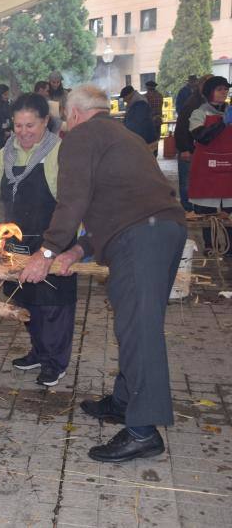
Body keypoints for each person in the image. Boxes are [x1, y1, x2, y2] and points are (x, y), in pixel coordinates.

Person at [19, 84, 186, 463]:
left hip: (141, 237)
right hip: (161, 231)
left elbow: (72, 202)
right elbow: (115, 204)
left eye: (64, 118)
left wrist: (45, 252)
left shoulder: (81, 137)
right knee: (133, 324)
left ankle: (143, 432)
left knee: (140, 331)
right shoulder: (121, 135)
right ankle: (125, 402)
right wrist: (78, 249)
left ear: (73, 113)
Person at [0, 93, 75, 387]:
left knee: (52, 304)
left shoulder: (58, 152)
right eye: (18, 125)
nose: (23, 132)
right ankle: (38, 350)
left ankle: (54, 362)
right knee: (24, 299)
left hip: (51, 242)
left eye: (30, 125)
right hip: (17, 243)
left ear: (46, 121)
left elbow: (71, 201)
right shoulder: (6, 152)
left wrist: (75, 243)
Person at [187, 75, 232, 253]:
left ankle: (229, 248)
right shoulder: (199, 113)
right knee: (208, 212)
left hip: (228, 167)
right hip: (207, 168)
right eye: (220, 89)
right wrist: (222, 123)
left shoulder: (229, 111)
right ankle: (209, 245)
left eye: (226, 89)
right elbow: (202, 137)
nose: (224, 92)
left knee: (229, 210)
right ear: (209, 92)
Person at [174, 74, 213, 213]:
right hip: (188, 148)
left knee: (197, 180)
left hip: (200, 149)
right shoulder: (193, 103)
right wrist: (184, 149)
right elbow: (181, 127)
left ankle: (196, 208)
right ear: (201, 85)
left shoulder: (206, 101)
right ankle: (189, 211)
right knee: (187, 181)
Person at [145, 81, 164, 155]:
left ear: (147, 87)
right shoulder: (160, 96)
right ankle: (155, 154)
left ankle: (149, 155)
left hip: (148, 121)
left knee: (149, 139)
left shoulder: (145, 97)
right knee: (156, 139)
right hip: (158, 120)